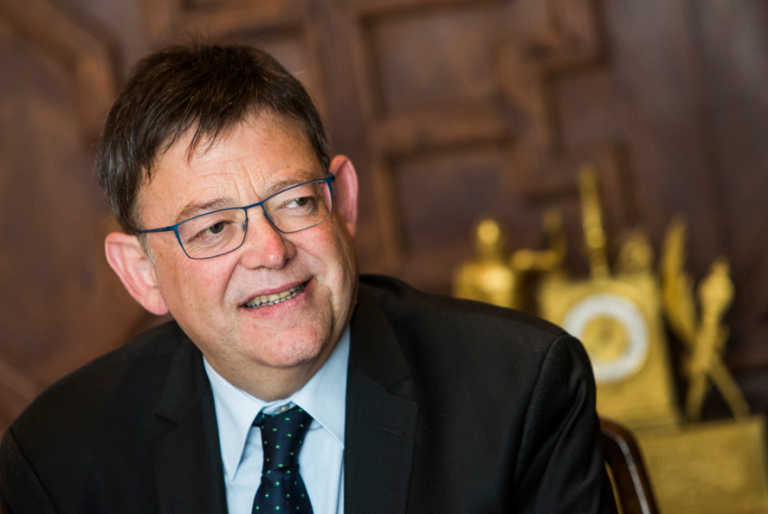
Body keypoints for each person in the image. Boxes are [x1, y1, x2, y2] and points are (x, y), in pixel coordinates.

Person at [0, 44, 616, 514]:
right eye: (213, 228)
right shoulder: (59, 455)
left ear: (341, 201)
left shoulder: (519, 388)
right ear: (142, 273)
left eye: (295, 202)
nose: (271, 252)